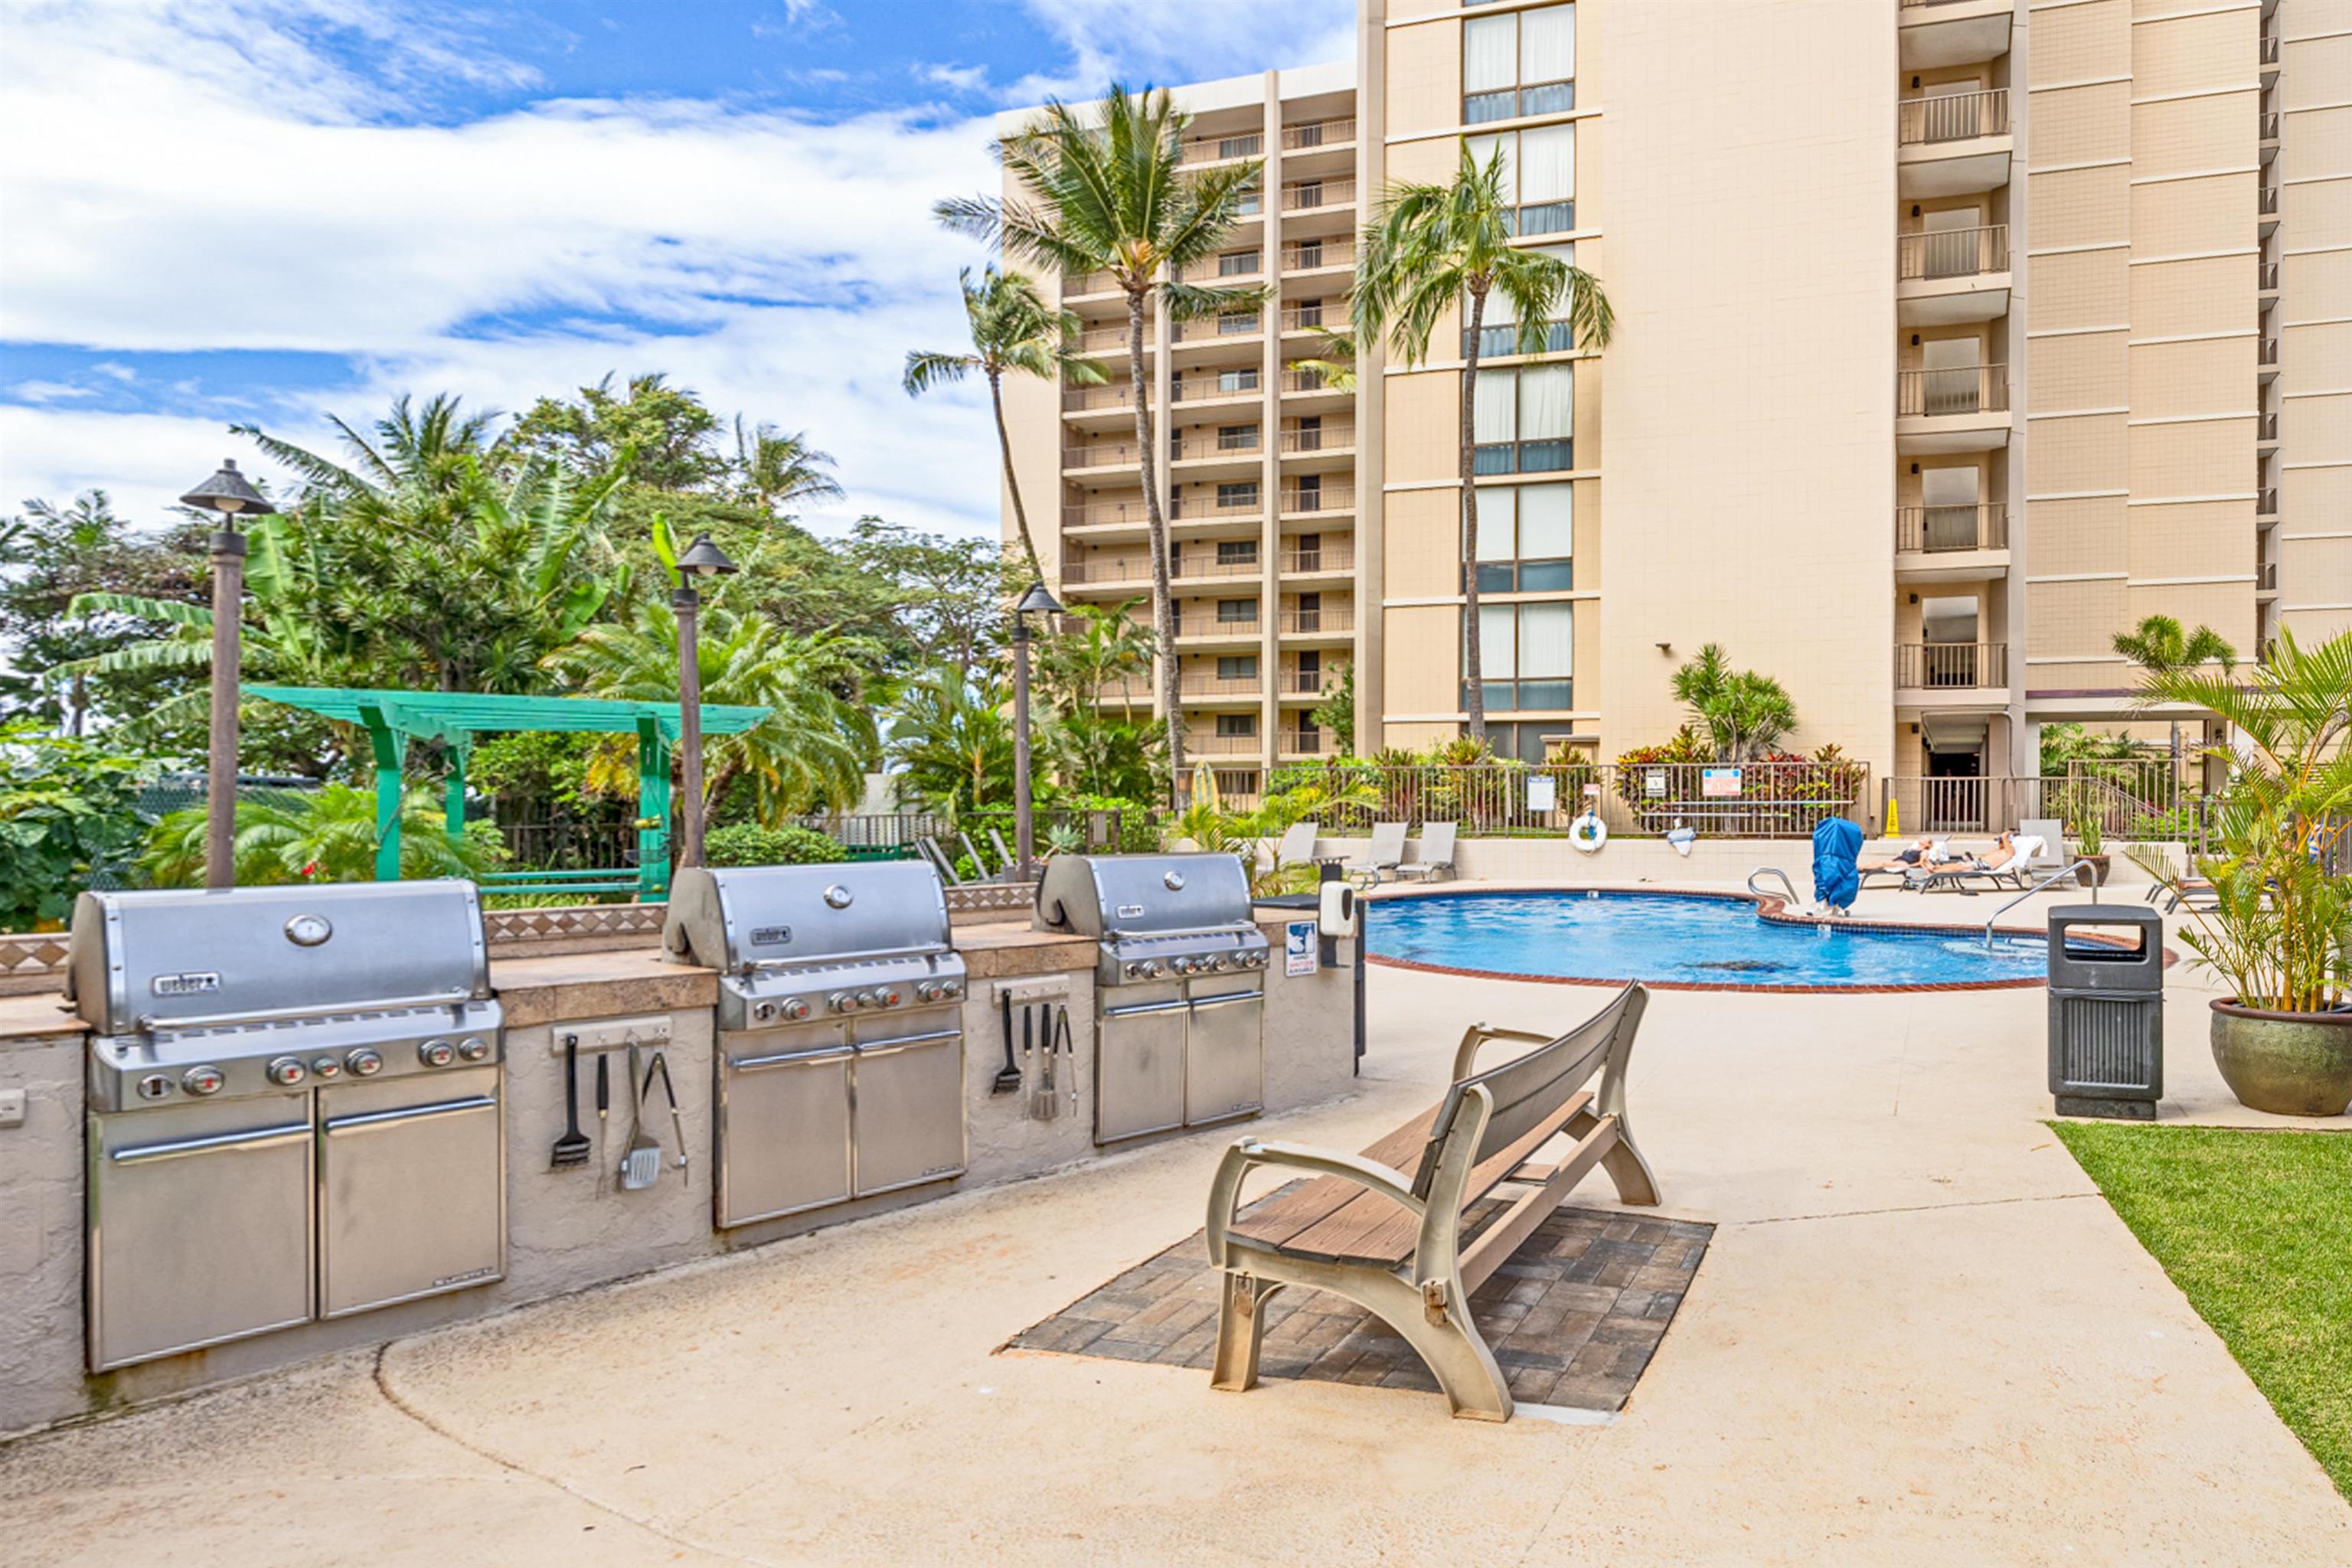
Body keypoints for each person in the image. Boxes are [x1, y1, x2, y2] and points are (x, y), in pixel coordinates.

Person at [1863, 838, 1936, 874]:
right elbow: (1902, 854)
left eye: (1925, 839)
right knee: (1872, 863)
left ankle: (1858, 869)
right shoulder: (1913, 848)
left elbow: (1921, 862)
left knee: (1883, 864)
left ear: (1928, 844)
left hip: (1905, 863)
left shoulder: (1924, 851)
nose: (1922, 839)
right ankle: (1860, 869)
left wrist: (1910, 866)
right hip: (1900, 860)